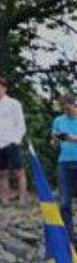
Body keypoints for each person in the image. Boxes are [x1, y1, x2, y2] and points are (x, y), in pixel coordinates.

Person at [0, 76, 27, 205]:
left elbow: (20, 124)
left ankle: (22, 199)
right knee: (1, 172)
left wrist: (16, 139)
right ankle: (5, 199)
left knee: (18, 171)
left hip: (11, 141)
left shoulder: (13, 104)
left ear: (4, 89)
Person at [53, 94, 77, 232]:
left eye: (68, 109)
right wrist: (56, 139)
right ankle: (69, 237)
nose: (66, 112)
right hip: (64, 163)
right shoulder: (58, 121)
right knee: (64, 202)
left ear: (74, 104)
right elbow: (54, 145)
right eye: (64, 109)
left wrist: (70, 137)